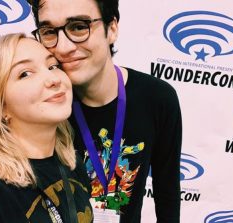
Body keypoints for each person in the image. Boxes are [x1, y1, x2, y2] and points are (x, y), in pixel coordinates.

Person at [28, 0, 182, 222]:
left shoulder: (157, 98)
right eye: (49, 31)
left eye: (79, 27)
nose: (63, 47)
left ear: (112, 29)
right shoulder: (41, 105)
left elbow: (166, 194)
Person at [0, 33, 93, 223]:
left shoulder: (72, 164)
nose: (53, 79)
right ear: (0, 105)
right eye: (25, 73)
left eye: (53, 66)